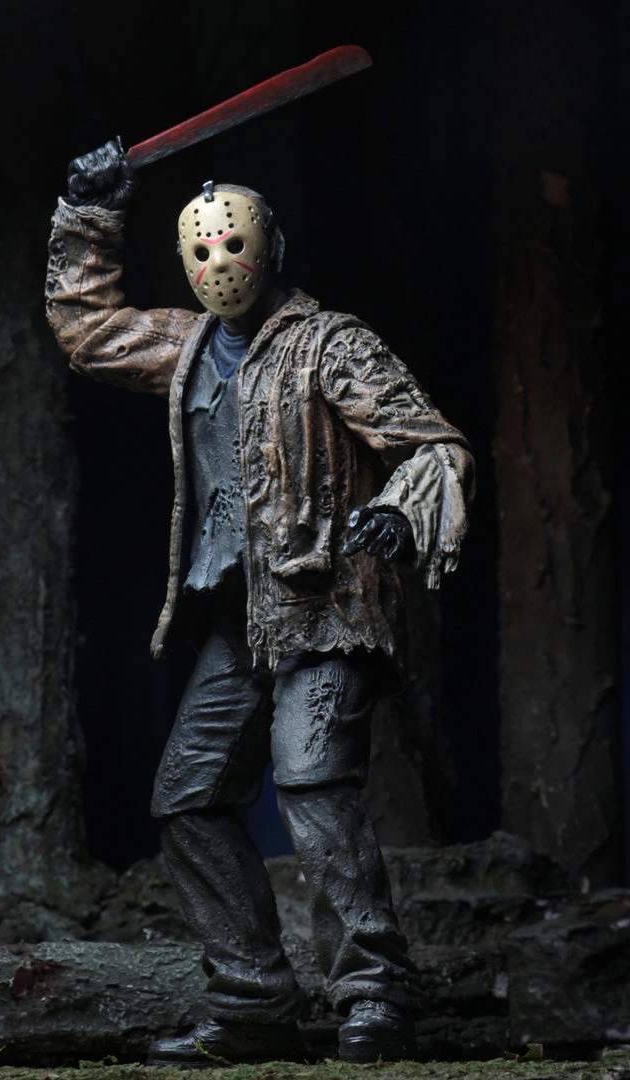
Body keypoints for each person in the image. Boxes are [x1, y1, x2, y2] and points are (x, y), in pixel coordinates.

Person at [45, 137, 474, 1064]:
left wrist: (399, 511)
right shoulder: (188, 346)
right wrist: (89, 215)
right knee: (188, 796)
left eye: (233, 245)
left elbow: (432, 445)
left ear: (270, 247)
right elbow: (88, 332)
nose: (219, 265)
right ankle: (252, 1000)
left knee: (311, 781)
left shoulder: (330, 344)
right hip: (234, 622)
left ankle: (373, 995)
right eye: (201, 251)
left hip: (325, 608)